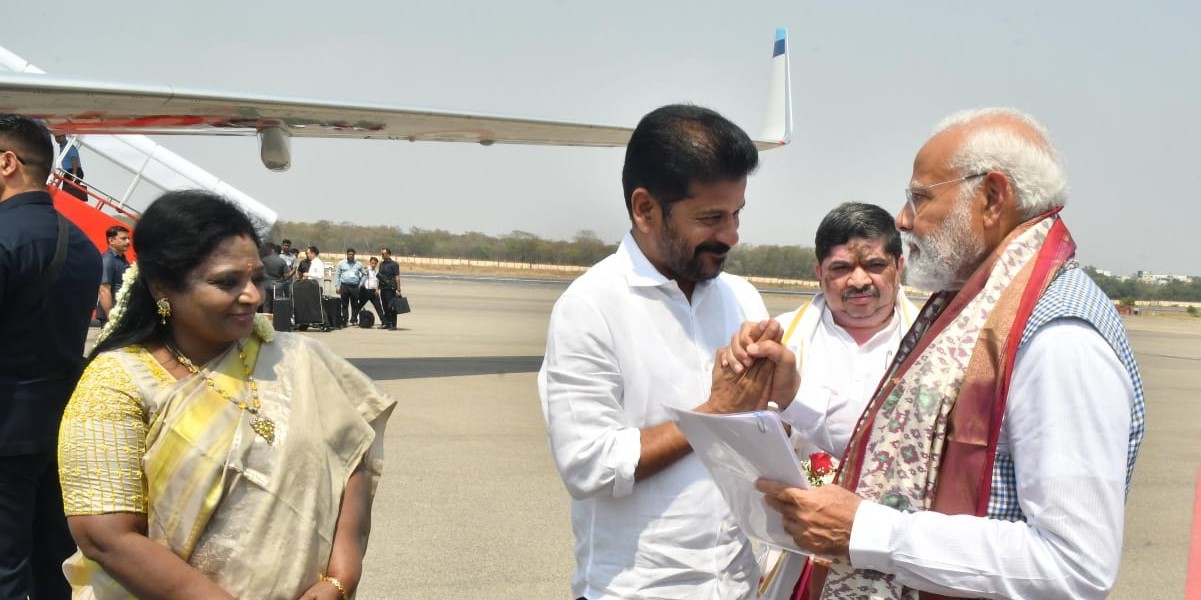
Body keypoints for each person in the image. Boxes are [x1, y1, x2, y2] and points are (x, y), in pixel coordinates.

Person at [753, 108, 1146, 599]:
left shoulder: (1058, 336)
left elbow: (1073, 566)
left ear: (992, 197)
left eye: (919, 197)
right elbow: (902, 442)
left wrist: (870, 532)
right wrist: (791, 395)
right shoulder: (978, 306)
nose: (903, 220)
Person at [58, 190, 396, 599]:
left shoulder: (297, 357)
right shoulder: (117, 384)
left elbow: (351, 457)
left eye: (256, 278)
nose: (253, 295)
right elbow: (105, 536)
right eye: (227, 282)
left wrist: (340, 577)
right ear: (162, 287)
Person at [539, 104, 797, 600]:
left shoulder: (741, 298)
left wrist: (781, 394)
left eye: (737, 214)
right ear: (645, 209)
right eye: (711, 217)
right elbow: (588, 464)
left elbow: (759, 434)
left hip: (740, 583)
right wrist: (712, 413)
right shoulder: (591, 306)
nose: (731, 236)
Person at [752, 202, 918, 599]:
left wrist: (796, 400)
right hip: (795, 548)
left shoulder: (936, 343)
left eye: (875, 265)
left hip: (896, 546)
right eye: (841, 268)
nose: (858, 280)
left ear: (899, 265)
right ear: (819, 273)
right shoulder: (777, 340)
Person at [0, 114, 102, 600]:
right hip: (57, 425)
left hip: (5, 430)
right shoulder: (79, 242)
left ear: (6, 163)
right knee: (51, 562)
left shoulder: (6, 237)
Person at [97, 225, 132, 327]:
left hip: (122, 311)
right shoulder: (108, 260)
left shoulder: (121, 259)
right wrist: (112, 318)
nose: (128, 242)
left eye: (128, 238)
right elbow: (104, 290)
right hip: (112, 314)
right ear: (111, 240)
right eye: (123, 238)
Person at [336, 248, 366, 326]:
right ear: (347, 254)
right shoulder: (341, 263)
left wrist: (361, 284)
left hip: (355, 287)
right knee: (344, 304)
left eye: (352, 254)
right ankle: (345, 320)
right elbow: (337, 275)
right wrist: (337, 286)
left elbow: (364, 274)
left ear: (354, 255)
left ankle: (354, 319)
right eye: (349, 254)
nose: (351, 256)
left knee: (355, 304)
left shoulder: (359, 264)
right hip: (344, 286)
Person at [259, 241, 288, 315]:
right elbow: (286, 275)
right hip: (277, 285)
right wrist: (293, 272)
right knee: (277, 305)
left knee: (266, 305)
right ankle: (278, 322)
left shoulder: (263, 260)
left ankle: (266, 322)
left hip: (265, 285)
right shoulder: (281, 261)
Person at [55, 133, 86, 201]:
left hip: (74, 170)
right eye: (56, 137)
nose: (57, 139)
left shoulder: (68, 146)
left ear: (64, 136)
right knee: (67, 191)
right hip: (69, 171)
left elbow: (74, 159)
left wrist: (74, 173)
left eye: (58, 137)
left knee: (68, 192)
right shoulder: (63, 146)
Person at [377, 248, 400, 330]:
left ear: (388, 254)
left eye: (383, 254)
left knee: (392, 307)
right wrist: (377, 289)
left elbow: (397, 277)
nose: (382, 255)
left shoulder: (394, 264)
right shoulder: (381, 264)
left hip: (391, 289)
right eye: (381, 254)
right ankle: (386, 323)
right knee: (385, 306)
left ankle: (393, 325)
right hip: (383, 289)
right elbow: (379, 277)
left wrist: (398, 289)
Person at [356, 256, 384, 325]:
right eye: (372, 263)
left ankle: (384, 321)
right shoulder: (366, 269)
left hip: (374, 291)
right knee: (359, 306)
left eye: (375, 263)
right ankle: (353, 319)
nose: (373, 265)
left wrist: (377, 289)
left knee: (378, 307)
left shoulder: (377, 271)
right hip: (366, 290)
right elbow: (360, 278)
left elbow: (378, 281)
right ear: (370, 262)